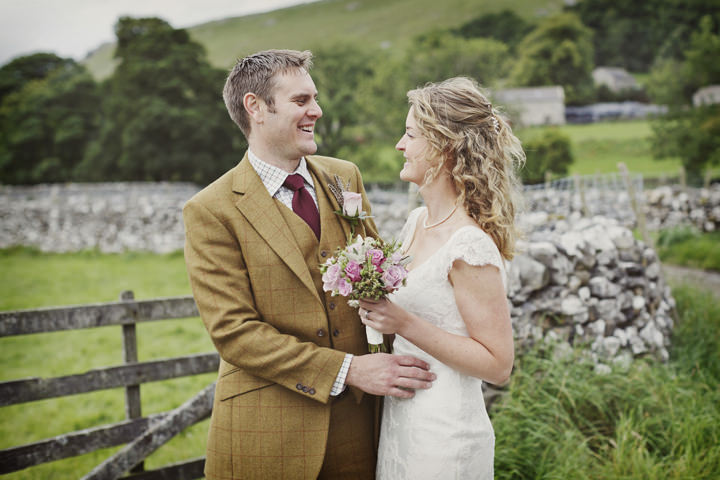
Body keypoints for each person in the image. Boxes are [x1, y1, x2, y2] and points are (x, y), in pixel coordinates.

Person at [183, 49, 435, 480]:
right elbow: (234, 333)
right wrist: (350, 370)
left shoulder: (344, 177)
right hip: (269, 432)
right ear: (256, 107)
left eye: (314, 99)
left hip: (363, 428)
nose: (316, 111)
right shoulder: (211, 209)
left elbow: (379, 279)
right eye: (301, 101)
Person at [358, 77, 523, 479]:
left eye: (410, 134)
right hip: (403, 421)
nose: (400, 144)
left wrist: (402, 323)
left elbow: (498, 364)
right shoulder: (416, 221)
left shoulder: (468, 244)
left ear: (443, 147)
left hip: (445, 433)